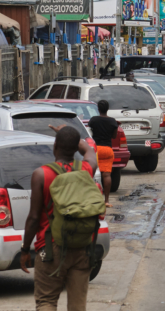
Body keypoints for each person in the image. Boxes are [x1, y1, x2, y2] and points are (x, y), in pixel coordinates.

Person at [20, 126, 100, 311]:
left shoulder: (41, 174)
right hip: (82, 246)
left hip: (50, 247)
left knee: (46, 301)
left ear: (55, 145)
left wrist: (25, 249)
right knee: (78, 305)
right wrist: (74, 137)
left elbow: (33, 218)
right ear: (74, 148)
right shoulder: (86, 169)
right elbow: (89, 150)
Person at [87, 100, 119, 205]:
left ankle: (94, 200)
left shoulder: (93, 120)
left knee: (92, 175)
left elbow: (89, 132)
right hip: (107, 150)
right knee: (106, 175)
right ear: (107, 109)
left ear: (98, 109)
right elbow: (114, 136)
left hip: (95, 149)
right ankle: (106, 201)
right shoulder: (113, 121)